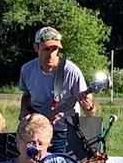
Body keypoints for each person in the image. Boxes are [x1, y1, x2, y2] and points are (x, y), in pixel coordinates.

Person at [17, 26, 98, 154]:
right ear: (36, 47)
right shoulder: (27, 70)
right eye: (46, 49)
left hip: (63, 133)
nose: (50, 54)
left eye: (54, 49)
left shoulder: (71, 71)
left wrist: (89, 107)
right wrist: (24, 111)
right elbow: (26, 95)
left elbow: (91, 113)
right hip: (36, 132)